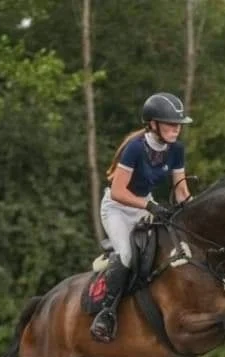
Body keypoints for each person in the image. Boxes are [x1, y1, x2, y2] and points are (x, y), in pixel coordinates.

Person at [90, 91, 194, 342]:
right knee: (127, 256)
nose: (176, 129)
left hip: (144, 205)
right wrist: (149, 207)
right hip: (116, 208)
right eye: (171, 124)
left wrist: (194, 215)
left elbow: (181, 190)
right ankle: (106, 313)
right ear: (153, 124)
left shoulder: (176, 149)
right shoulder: (135, 149)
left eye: (178, 124)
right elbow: (117, 192)